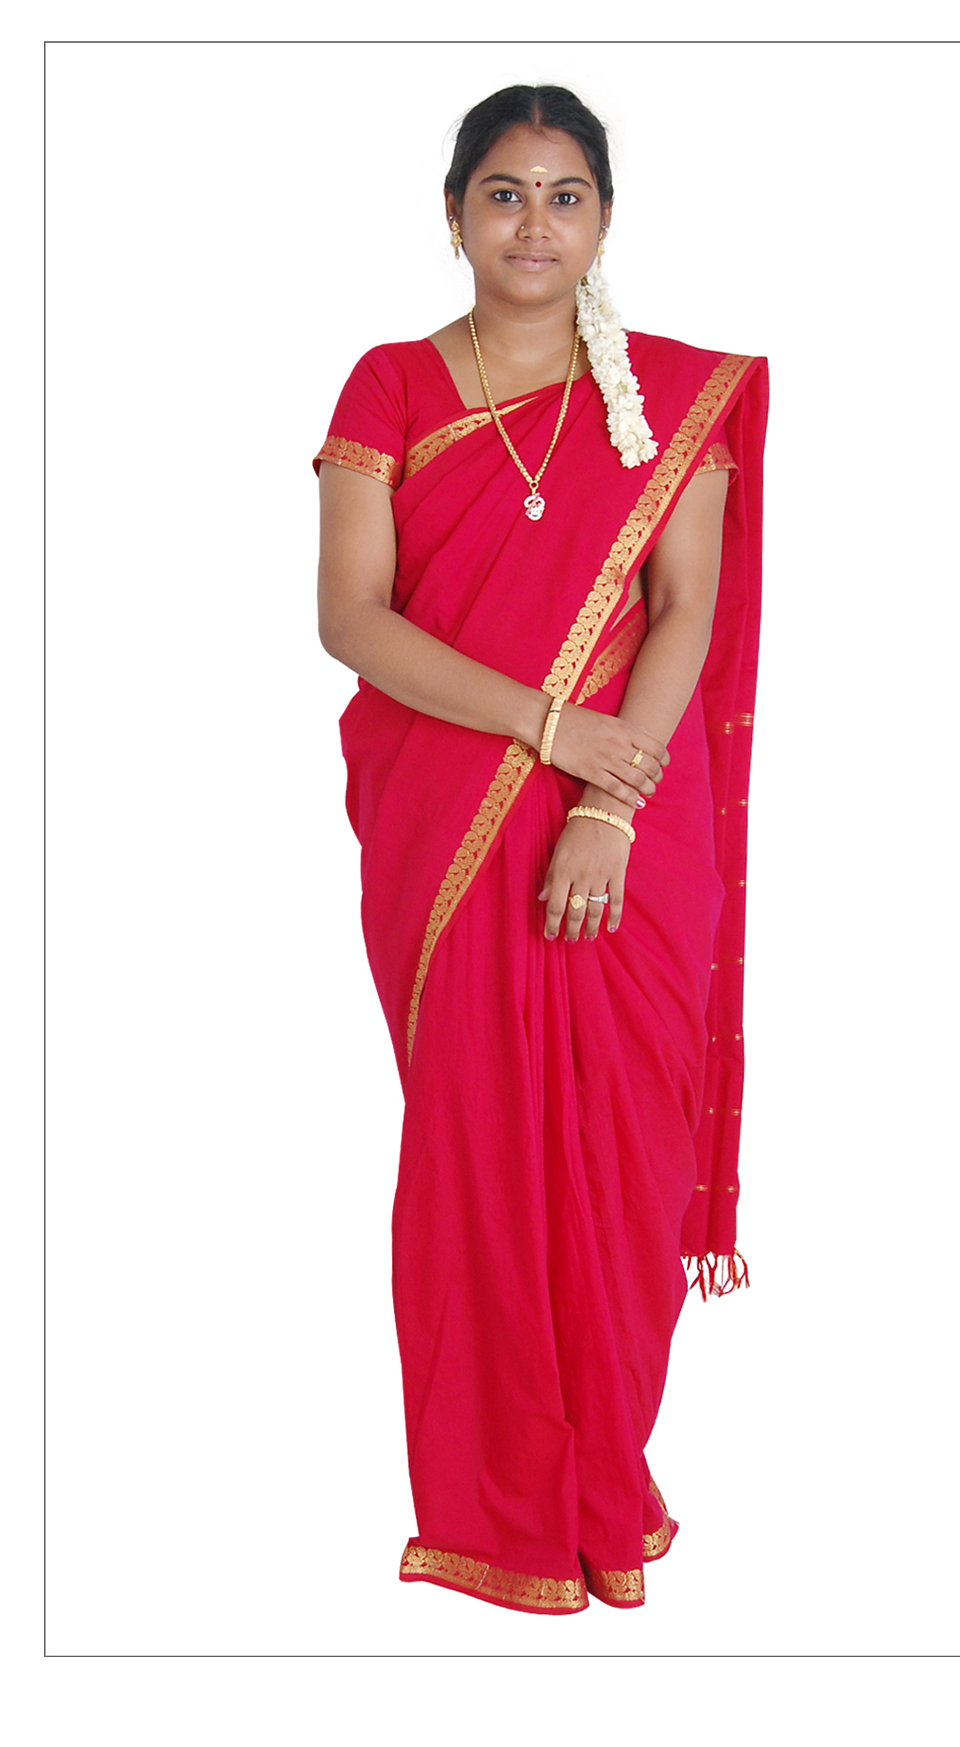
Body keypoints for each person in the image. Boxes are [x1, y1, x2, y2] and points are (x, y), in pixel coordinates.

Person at [314, 84, 768, 1615]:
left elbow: (685, 608)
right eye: (502, 193)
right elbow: (352, 619)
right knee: (479, 1161)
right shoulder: (390, 385)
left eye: (564, 195)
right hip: (448, 811)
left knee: (627, 1160)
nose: (533, 223)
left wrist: (606, 800)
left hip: (627, 823)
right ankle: (500, 1513)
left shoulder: (672, 399)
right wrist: (548, 730)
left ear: (605, 221)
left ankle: (604, 1496)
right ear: (452, 215)